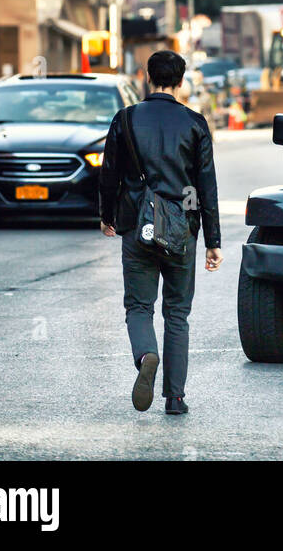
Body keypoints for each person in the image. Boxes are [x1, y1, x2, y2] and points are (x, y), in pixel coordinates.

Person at [99, 49, 223, 415]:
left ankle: (145, 355)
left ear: (146, 77)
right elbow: (207, 187)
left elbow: (108, 175)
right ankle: (176, 397)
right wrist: (213, 242)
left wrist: (108, 216)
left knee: (138, 306)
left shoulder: (125, 119)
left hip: (138, 225)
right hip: (182, 227)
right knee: (177, 313)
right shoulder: (196, 123)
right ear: (181, 81)